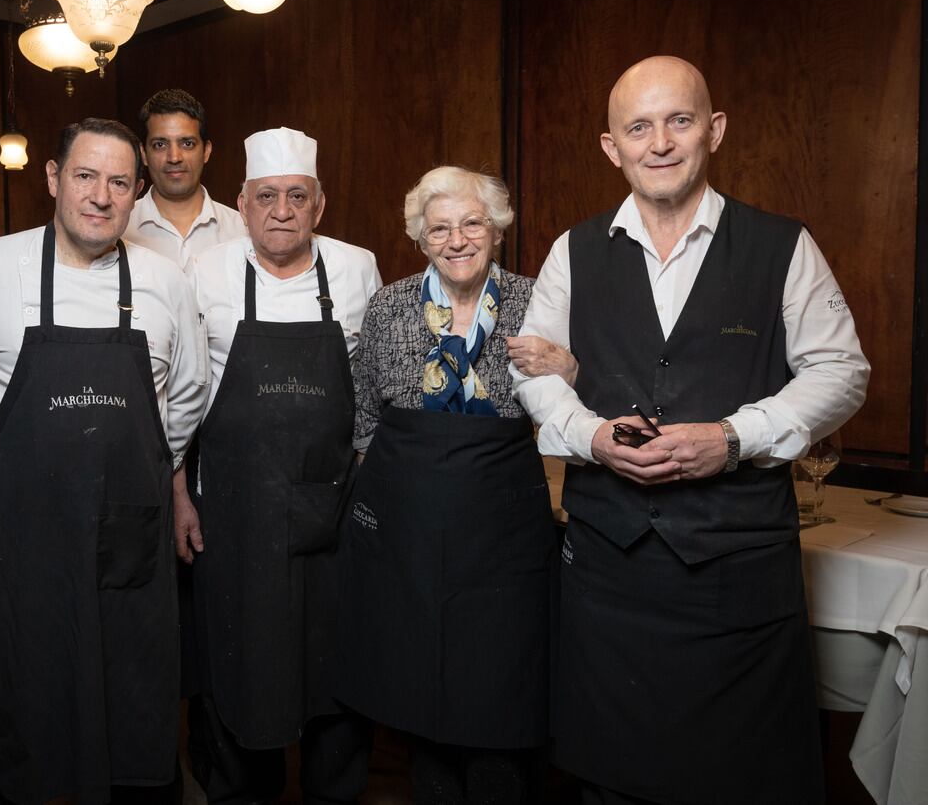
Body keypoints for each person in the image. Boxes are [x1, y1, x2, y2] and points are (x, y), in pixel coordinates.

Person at [512, 55, 870, 804]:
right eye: (637, 127)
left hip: (738, 578)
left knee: (744, 781)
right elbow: (536, 372)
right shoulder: (571, 252)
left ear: (715, 130)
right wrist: (590, 435)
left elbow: (841, 371)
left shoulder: (783, 246)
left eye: (678, 120)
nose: (660, 142)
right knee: (609, 783)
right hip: (608, 575)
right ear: (611, 146)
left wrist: (736, 437)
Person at [0, 117, 206, 805]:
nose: (101, 196)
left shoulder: (165, 281)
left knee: (133, 702)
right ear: (54, 178)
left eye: (119, 182)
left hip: (130, 540)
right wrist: (5, 491)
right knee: (26, 700)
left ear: (137, 192)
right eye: (85, 176)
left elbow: (190, 392)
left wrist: (140, 478)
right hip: (21, 539)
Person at [334, 166, 573, 804]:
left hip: (506, 534)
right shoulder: (390, 304)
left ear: (496, 230)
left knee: (501, 697)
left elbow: (577, 403)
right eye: (439, 228)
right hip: (408, 530)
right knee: (423, 699)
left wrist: (572, 368)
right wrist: (373, 513)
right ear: (421, 238)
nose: (457, 239)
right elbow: (363, 413)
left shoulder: (534, 300)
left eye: (472, 223)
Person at [176, 127, 382, 804]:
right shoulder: (202, 272)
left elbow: (373, 393)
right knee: (240, 675)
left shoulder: (357, 268)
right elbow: (178, 395)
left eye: (298, 196)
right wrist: (180, 491)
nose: (283, 211)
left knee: (337, 681)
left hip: (333, 514)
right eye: (268, 197)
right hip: (234, 515)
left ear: (319, 203)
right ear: (243, 202)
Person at [124, 88, 245, 271]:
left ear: (206, 151)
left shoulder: (241, 231)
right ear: (144, 154)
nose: (174, 157)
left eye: (187, 144)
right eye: (160, 145)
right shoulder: (121, 228)